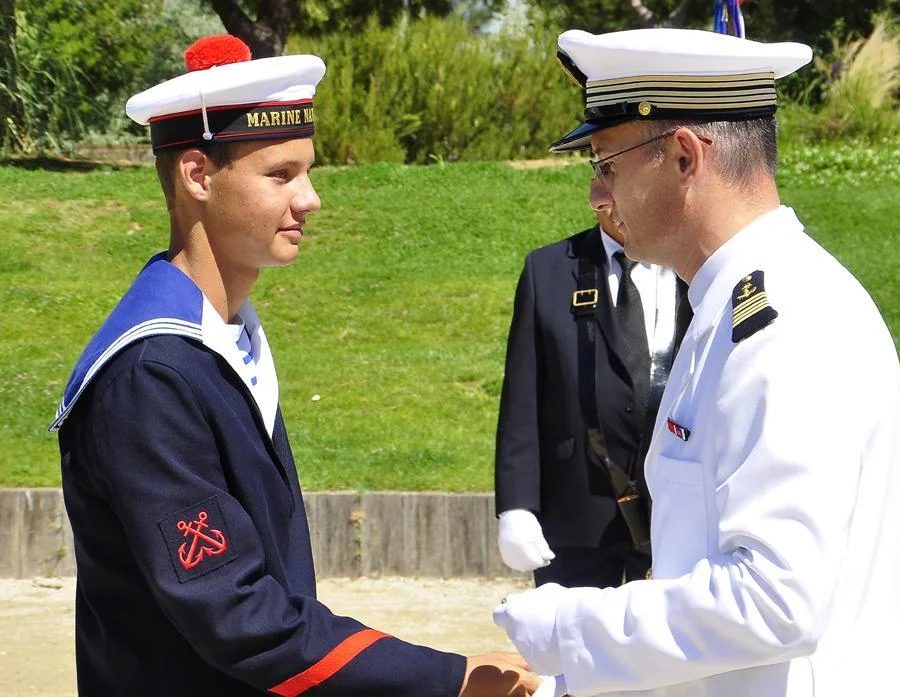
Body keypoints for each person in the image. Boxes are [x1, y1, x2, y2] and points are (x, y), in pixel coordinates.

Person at [51, 34, 539, 697]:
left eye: (306, 172)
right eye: (280, 175)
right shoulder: (149, 373)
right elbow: (237, 613)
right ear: (197, 175)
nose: (310, 199)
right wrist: (446, 680)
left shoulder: (220, 337)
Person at [493, 27, 900, 697]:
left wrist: (572, 625)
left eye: (607, 164)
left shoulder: (783, 322)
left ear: (685, 157)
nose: (597, 194)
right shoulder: (731, 306)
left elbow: (776, 600)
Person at [495, 179, 692, 587]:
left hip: (679, 503)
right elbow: (523, 395)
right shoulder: (548, 269)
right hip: (575, 504)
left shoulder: (697, 267)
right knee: (570, 645)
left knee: (666, 646)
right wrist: (516, 505)